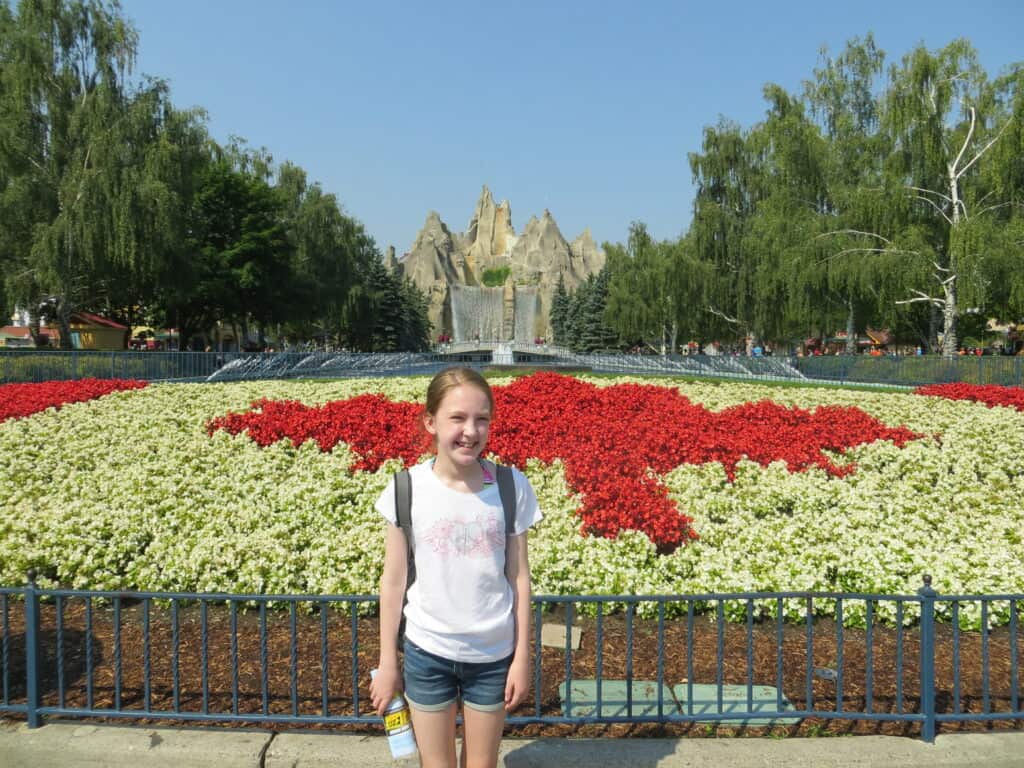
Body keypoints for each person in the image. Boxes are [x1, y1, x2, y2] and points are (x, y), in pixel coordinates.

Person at [370, 367, 542, 768]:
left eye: (482, 419)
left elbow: (519, 578)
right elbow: (393, 583)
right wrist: (388, 664)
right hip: (428, 652)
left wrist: (521, 658)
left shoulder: (510, 486)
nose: (471, 431)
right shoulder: (405, 489)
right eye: (458, 418)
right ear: (430, 422)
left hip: (493, 655)